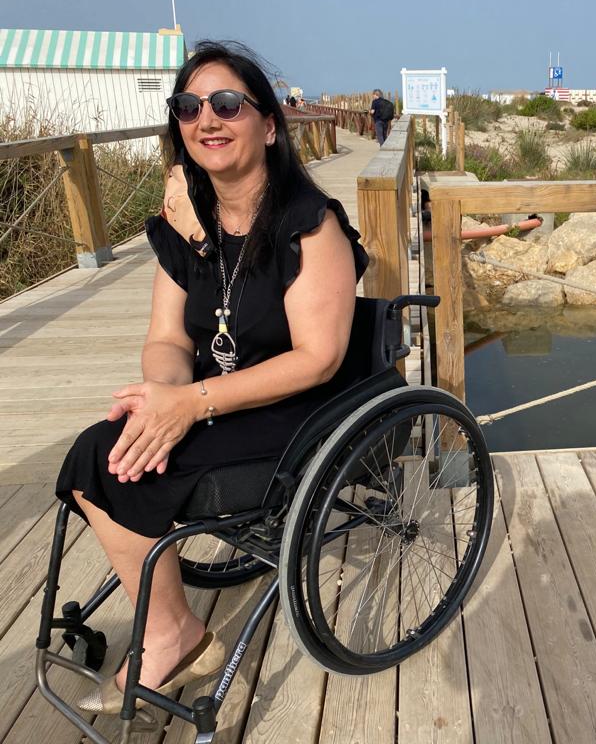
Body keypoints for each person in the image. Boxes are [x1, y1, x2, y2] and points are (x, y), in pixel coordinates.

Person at [57, 40, 368, 714]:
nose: (207, 119)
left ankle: (172, 637)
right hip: (210, 396)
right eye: (189, 106)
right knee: (106, 447)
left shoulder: (309, 226)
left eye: (227, 104)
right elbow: (168, 338)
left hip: (295, 409)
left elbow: (317, 358)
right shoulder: (187, 228)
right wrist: (163, 396)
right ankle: (173, 627)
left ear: (269, 125)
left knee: (108, 459)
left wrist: (191, 403)